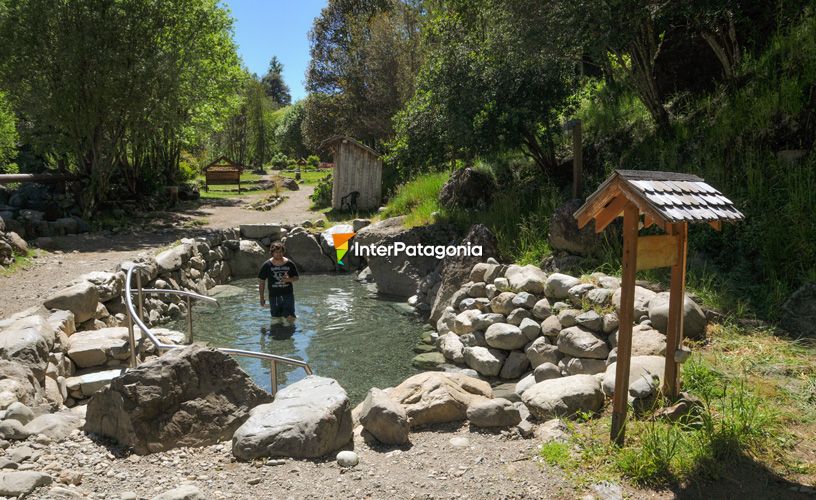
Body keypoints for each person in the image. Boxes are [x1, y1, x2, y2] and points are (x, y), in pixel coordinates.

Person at [258, 241, 299, 327]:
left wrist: (288, 280)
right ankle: (279, 332)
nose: (278, 254)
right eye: (276, 252)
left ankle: (293, 330)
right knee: (276, 317)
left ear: (283, 252)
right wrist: (261, 297)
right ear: (272, 253)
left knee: (289, 315)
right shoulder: (267, 265)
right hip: (274, 296)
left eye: (280, 252)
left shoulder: (289, 263)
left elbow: (296, 278)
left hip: (288, 295)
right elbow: (261, 282)